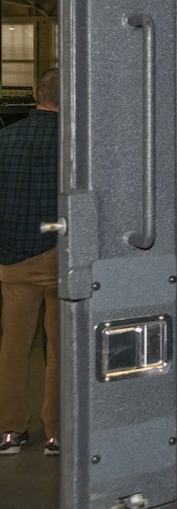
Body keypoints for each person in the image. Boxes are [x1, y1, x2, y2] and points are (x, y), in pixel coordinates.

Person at [0, 67, 60, 456]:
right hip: (63, 262)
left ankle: (10, 432)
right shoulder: (78, 144)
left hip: (13, 261)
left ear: (36, 94)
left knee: (13, 347)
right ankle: (58, 433)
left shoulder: (4, 139)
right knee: (61, 349)